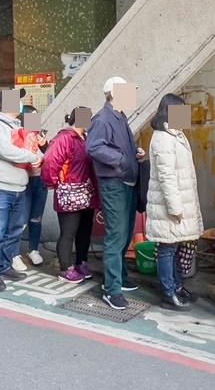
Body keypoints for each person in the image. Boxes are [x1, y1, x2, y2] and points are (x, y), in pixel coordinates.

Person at [86, 76, 146, 311]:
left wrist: (134, 152)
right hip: (114, 183)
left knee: (124, 233)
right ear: (114, 93)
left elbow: (111, 147)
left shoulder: (120, 116)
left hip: (125, 181)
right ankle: (112, 289)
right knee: (115, 236)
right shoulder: (103, 118)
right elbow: (94, 147)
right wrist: (123, 159)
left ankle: (120, 276)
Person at [144, 94, 203, 312]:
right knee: (167, 249)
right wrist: (176, 207)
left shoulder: (176, 135)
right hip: (168, 205)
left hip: (178, 201)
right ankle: (168, 292)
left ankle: (177, 286)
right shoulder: (163, 138)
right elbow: (167, 176)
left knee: (176, 246)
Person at [0, 93, 42, 292]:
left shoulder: (19, 125)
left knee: (14, 230)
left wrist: (38, 155)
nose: (21, 104)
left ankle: (5, 265)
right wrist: (32, 156)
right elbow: (4, 150)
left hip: (19, 187)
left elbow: (33, 149)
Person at [42, 108, 98, 284]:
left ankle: (81, 263)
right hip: (70, 191)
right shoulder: (64, 138)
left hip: (86, 191)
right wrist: (52, 183)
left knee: (84, 231)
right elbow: (51, 162)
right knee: (68, 232)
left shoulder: (86, 138)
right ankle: (66, 268)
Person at [20, 106, 50, 267]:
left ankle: (33, 249)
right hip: (24, 180)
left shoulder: (40, 134)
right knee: (21, 219)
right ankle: (13, 254)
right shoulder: (18, 134)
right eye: (31, 117)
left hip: (40, 180)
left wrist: (44, 145)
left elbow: (50, 154)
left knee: (36, 218)